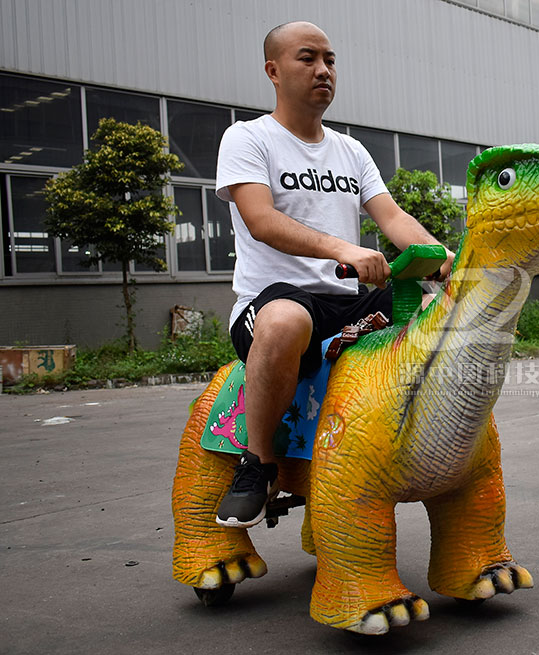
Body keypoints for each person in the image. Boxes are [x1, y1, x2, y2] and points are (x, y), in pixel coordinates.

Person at [213, 21, 454, 528]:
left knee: (438, 312)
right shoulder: (247, 139)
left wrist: (440, 255)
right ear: (273, 71)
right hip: (274, 302)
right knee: (284, 322)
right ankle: (258, 466)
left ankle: (422, 448)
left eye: (330, 59)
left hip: (346, 304)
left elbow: (392, 218)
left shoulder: (351, 151)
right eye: (308, 58)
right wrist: (344, 247)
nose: (323, 69)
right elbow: (261, 221)